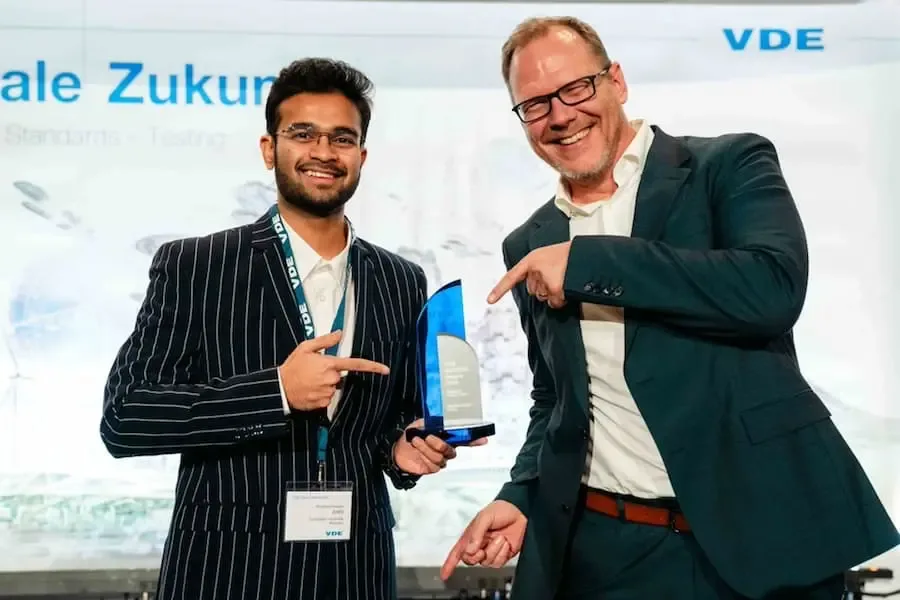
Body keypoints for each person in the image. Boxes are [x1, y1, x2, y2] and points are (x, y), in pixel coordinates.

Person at [441, 16, 900, 600]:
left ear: (617, 82)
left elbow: (771, 288)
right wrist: (521, 492)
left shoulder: (727, 165)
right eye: (534, 105)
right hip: (608, 554)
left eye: (575, 88)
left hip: (764, 538)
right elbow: (556, 399)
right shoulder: (529, 242)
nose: (559, 115)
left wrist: (587, 263)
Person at [101, 57, 469, 600]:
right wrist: (275, 392)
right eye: (304, 134)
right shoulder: (197, 266)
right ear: (270, 148)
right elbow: (126, 417)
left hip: (355, 569)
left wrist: (401, 451)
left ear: (362, 157)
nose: (324, 152)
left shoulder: (401, 279)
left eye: (342, 138)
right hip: (227, 569)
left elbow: (393, 421)